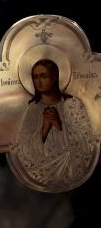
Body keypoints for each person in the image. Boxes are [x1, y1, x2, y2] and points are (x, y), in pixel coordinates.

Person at [12, 59, 95, 189]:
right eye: (35, 77)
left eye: (43, 76)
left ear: (54, 77)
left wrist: (59, 124)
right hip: (42, 174)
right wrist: (44, 128)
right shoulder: (32, 110)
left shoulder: (73, 104)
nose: (39, 81)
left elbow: (87, 141)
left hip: (73, 170)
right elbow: (24, 149)